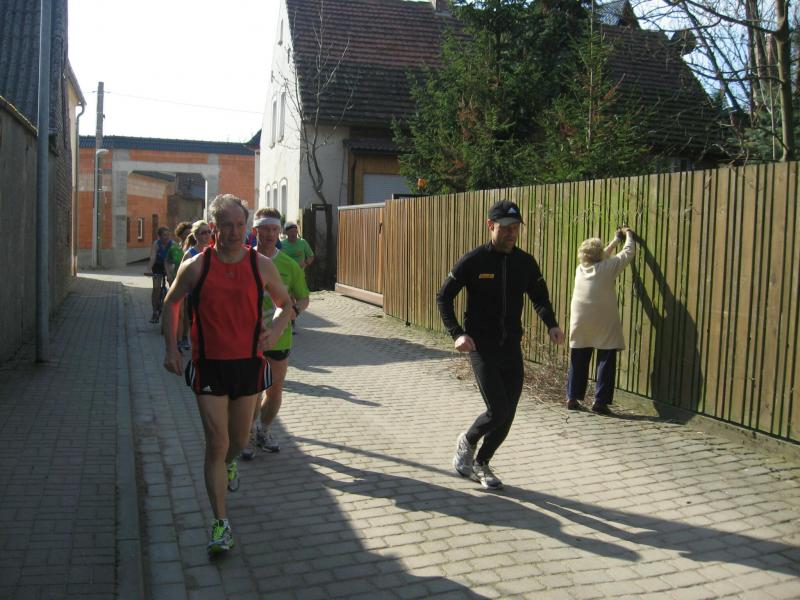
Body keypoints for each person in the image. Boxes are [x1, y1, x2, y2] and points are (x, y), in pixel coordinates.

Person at [161, 194, 291, 555]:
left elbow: (286, 304)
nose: (234, 232)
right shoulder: (197, 266)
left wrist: (276, 330)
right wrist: (171, 349)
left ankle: (231, 463)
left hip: (248, 364)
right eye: (227, 226)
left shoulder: (261, 265)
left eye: (239, 225)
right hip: (209, 365)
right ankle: (220, 524)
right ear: (213, 227)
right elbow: (171, 302)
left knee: (238, 440)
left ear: (246, 227)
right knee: (216, 443)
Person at [437, 199, 565, 490]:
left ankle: (482, 462)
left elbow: (540, 298)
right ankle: (467, 440)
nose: (511, 233)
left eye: (515, 227)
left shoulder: (525, 263)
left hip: (511, 348)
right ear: (490, 226)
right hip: (481, 347)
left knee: (508, 412)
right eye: (506, 227)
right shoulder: (474, 261)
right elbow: (443, 297)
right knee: (498, 409)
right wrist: (457, 333)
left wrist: (552, 325)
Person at [240, 208, 310, 459]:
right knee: (251, 391)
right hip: (247, 339)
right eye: (265, 229)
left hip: (280, 338)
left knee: (274, 390)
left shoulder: (289, 264)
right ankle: (246, 433)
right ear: (255, 230)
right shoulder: (242, 260)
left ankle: (264, 430)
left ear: (279, 231)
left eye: (274, 229)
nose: (270, 234)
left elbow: (303, 297)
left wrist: (295, 312)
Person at [566, 227, 636, 415]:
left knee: (579, 357)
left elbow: (601, 255)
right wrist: (629, 236)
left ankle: (572, 397)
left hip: (580, 320)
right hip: (603, 320)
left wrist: (615, 240)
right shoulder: (608, 267)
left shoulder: (580, 269)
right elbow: (627, 253)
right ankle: (600, 402)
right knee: (606, 357)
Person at [176, 220, 212, 351]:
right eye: (203, 233)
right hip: (195, 296)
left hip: (211, 296)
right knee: (197, 326)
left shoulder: (213, 251)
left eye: (209, 232)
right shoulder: (190, 254)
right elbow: (181, 276)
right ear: (196, 236)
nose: (207, 235)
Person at [145, 226, 173, 323]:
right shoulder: (156, 244)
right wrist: (148, 269)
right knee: (156, 288)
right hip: (157, 266)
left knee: (172, 285)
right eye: (164, 235)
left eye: (168, 235)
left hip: (169, 265)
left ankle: (172, 308)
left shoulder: (172, 244)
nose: (166, 237)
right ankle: (154, 312)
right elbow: (153, 258)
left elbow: (174, 259)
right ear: (159, 236)